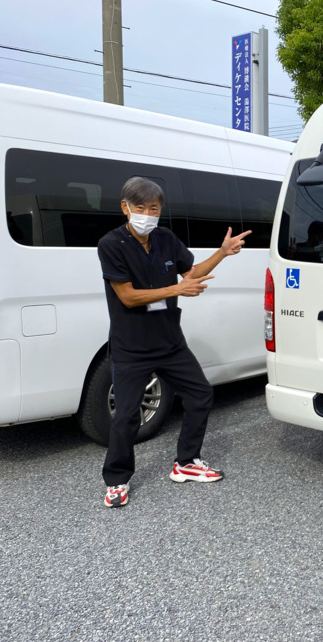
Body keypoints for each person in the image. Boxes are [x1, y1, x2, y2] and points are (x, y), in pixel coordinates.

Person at [97, 176, 250, 508]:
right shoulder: (111, 244)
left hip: (169, 341)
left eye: (154, 208)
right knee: (125, 416)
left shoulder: (165, 238)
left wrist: (222, 253)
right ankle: (117, 480)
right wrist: (176, 290)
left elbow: (191, 273)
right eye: (141, 207)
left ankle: (186, 462)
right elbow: (127, 297)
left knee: (200, 394)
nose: (148, 214)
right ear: (125, 208)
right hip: (131, 346)